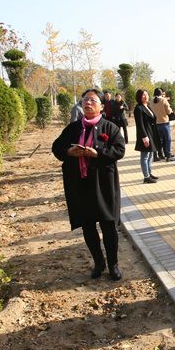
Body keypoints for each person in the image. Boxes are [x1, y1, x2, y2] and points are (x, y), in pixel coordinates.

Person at [52, 89, 126, 281]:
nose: (88, 103)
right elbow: (57, 147)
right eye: (85, 100)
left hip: (103, 185)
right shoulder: (73, 128)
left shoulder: (110, 127)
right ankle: (99, 263)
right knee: (88, 226)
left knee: (108, 226)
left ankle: (113, 265)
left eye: (93, 100)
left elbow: (119, 150)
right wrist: (69, 152)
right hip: (80, 185)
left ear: (102, 106)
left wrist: (97, 153)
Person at [133, 89, 159, 183]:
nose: (146, 96)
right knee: (145, 156)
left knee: (150, 154)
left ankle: (149, 172)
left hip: (151, 133)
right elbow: (140, 124)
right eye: (143, 95)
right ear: (139, 97)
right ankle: (146, 177)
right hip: (145, 135)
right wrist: (145, 137)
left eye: (147, 94)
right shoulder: (138, 108)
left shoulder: (147, 106)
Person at [150, 88, 175, 162]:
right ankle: (168, 156)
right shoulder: (163, 100)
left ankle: (156, 155)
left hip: (156, 123)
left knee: (158, 140)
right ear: (161, 93)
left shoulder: (151, 101)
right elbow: (169, 111)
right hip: (164, 123)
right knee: (167, 140)